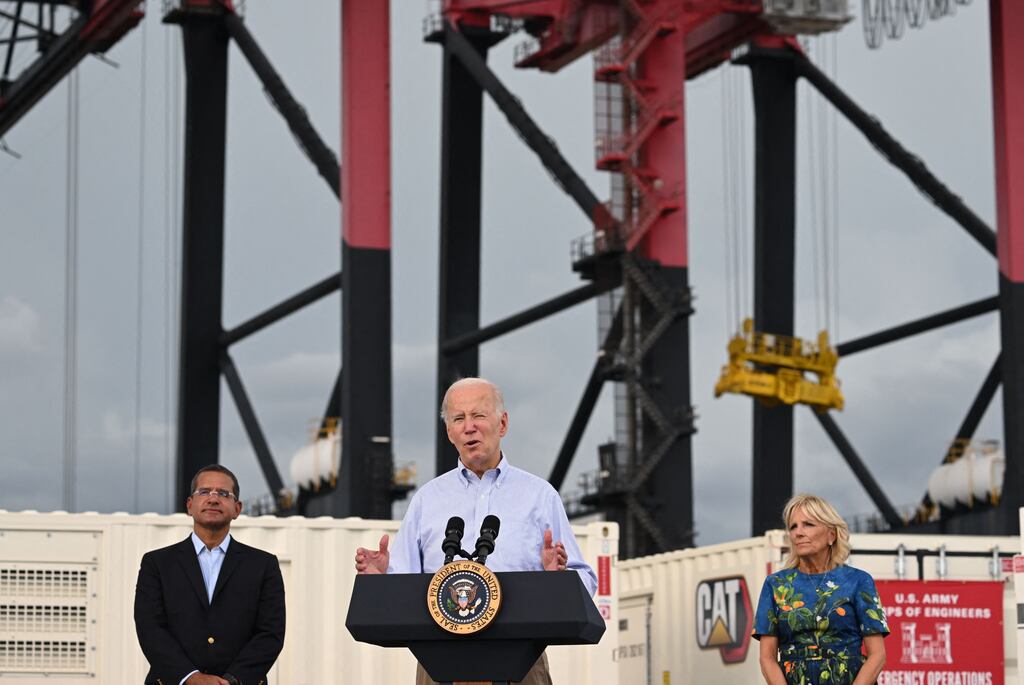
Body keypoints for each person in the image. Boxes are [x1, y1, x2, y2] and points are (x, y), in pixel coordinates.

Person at [355, 377, 597, 685]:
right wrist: (381, 580)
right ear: (449, 432)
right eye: (458, 418)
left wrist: (557, 580)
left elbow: (585, 582)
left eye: (479, 415)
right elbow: (405, 588)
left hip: (520, 663)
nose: (469, 426)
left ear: (503, 423)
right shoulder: (426, 500)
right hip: (438, 664)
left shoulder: (540, 495)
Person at [134, 465, 286, 685]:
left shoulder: (263, 565)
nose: (213, 499)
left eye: (224, 494)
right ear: (189, 505)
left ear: (237, 508)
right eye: (204, 492)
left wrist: (233, 680)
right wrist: (190, 677)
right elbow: (150, 628)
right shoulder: (157, 564)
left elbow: (270, 634)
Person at [752, 494, 888, 685]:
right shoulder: (776, 585)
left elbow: (877, 655)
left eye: (808, 524)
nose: (798, 533)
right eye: (793, 526)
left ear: (831, 534)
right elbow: (767, 658)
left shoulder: (858, 581)